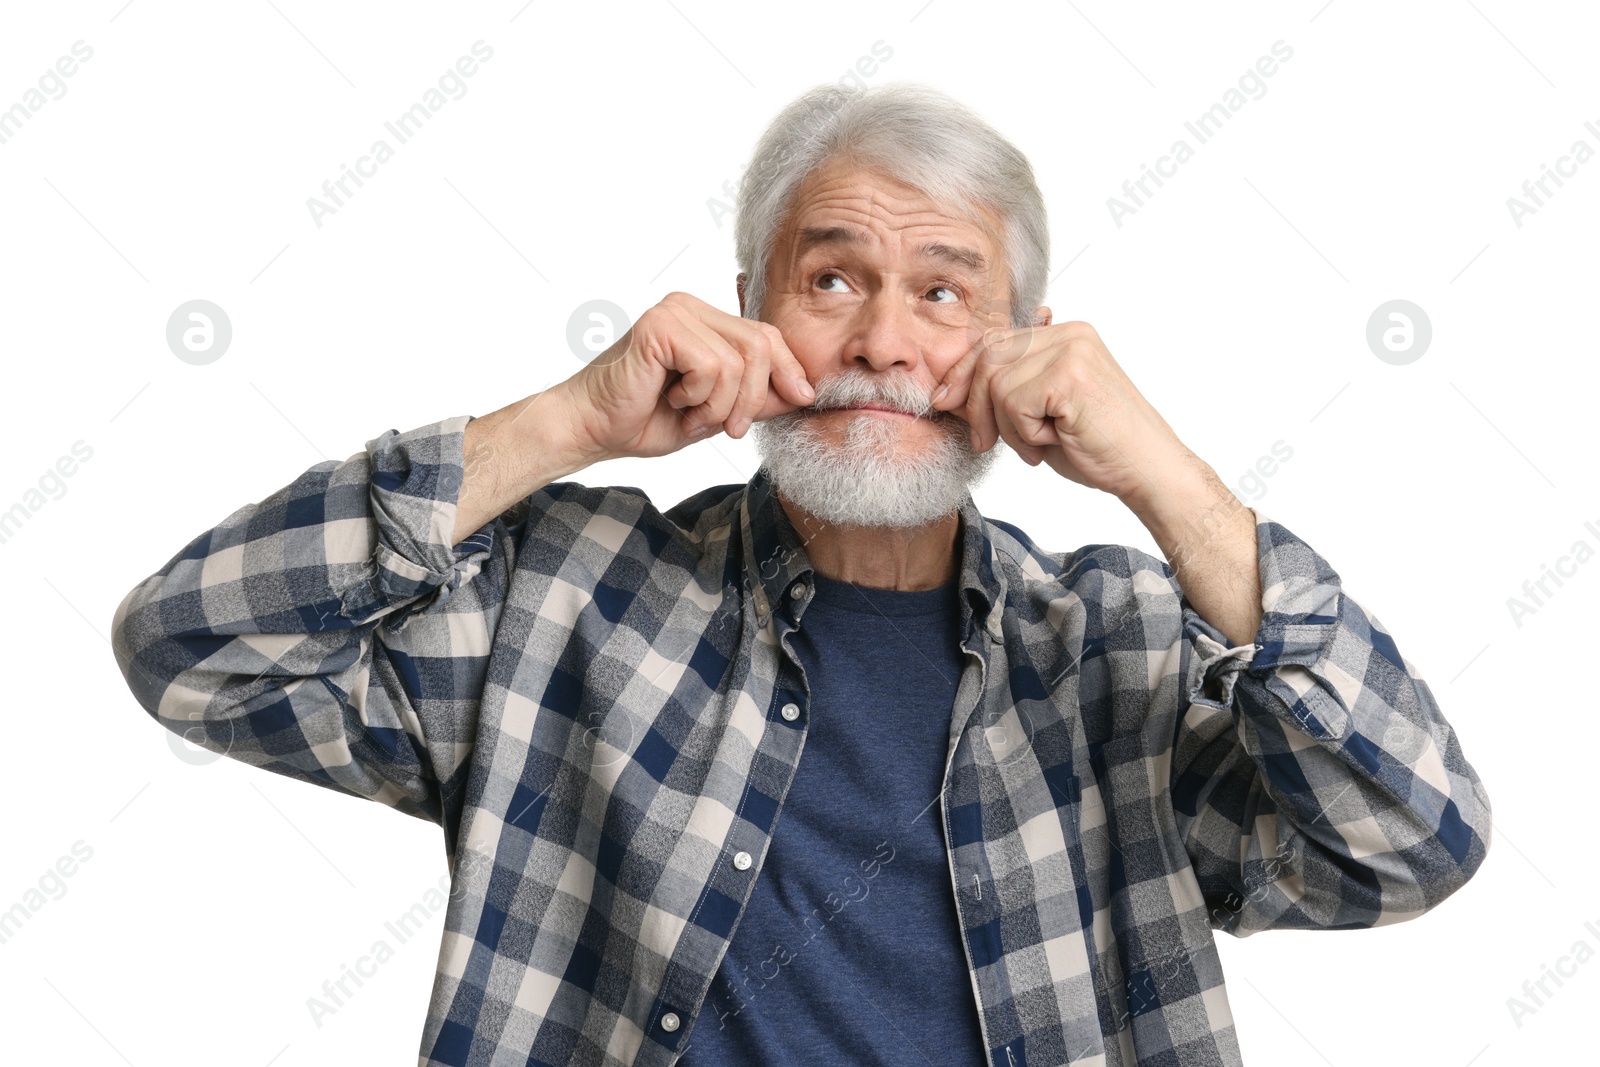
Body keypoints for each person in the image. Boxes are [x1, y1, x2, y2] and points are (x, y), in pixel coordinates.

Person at [111, 81, 1491, 1066]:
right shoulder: (563, 595)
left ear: (1034, 347)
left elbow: (1410, 841)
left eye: (946, 292)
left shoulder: (1119, 643)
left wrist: (1167, 479)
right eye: (833, 280)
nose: (884, 341)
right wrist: (569, 420)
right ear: (754, 311)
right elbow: (193, 646)